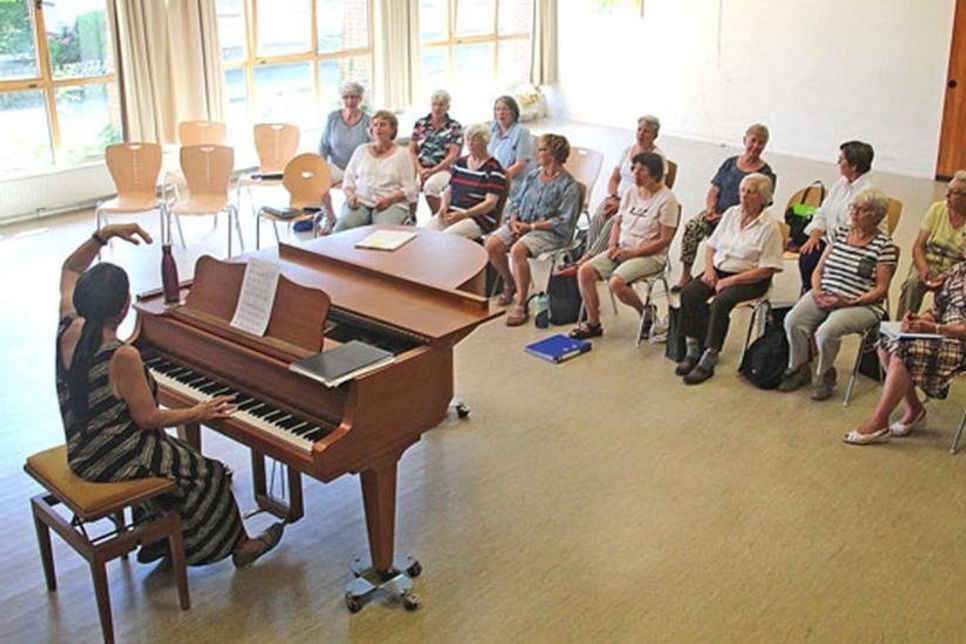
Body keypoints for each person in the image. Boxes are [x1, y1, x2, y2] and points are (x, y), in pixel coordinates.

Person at [56, 224, 284, 567]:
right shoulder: (122, 356)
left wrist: (102, 236)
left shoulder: (67, 323)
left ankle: (158, 537)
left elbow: (70, 268)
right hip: (113, 457)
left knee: (171, 454)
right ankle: (234, 546)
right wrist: (199, 411)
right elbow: (148, 418)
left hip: (82, 447)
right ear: (123, 308)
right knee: (210, 473)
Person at [779, 189, 897, 401]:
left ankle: (826, 374)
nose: (854, 213)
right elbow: (819, 270)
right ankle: (799, 366)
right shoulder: (841, 233)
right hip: (825, 292)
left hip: (861, 304)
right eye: (854, 207)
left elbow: (881, 289)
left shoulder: (884, 246)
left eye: (862, 210)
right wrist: (817, 291)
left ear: (877, 216)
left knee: (826, 332)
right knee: (793, 321)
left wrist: (851, 301)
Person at [676, 173, 783, 385]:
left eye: (751, 192)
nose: (744, 196)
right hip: (719, 269)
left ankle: (710, 356)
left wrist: (730, 282)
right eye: (742, 190)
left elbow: (768, 268)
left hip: (749, 278)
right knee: (689, 292)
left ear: (763, 197)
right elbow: (711, 246)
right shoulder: (732, 214)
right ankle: (693, 348)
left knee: (721, 302)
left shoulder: (770, 227)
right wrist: (709, 270)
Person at [845, 257, 966, 445]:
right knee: (887, 342)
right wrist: (918, 318)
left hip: (959, 340)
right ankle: (915, 409)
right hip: (942, 332)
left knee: (904, 351)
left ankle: (879, 422)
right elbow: (937, 309)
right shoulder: (958, 270)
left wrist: (934, 328)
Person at [570, 152, 679, 339]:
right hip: (621, 249)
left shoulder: (667, 200)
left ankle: (646, 313)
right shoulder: (630, 192)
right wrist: (612, 245)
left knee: (616, 282)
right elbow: (617, 222)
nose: (635, 174)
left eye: (641, 170)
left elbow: (664, 240)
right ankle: (593, 322)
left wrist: (632, 253)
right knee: (585, 271)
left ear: (654, 173)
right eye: (634, 169)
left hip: (649, 256)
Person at [485, 133, 581, 327]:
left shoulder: (569, 186)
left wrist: (531, 227)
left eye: (542, 149)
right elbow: (517, 201)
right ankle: (510, 282)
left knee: (518, 250)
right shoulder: (533, 175)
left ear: (553, 154)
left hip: (550, 233)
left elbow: (563, 222)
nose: (538, 152)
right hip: (523, 223)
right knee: (492, 244)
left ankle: (521, 304)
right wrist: (513, 220)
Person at [674, 124, 777, 291]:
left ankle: (726, 273)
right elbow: (714, 189)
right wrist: (710, 210)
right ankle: (686, 274)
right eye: (753, 141)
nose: (756, 146)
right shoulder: (730, 163)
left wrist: (725, 217)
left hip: (737, 219)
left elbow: (763, 204)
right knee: (692, 227)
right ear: (745, 140)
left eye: (761, 143)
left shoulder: (766, 173)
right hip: (715, 212)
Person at [583, 115, 668, 258]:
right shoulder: (627, 150)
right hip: (616, 197)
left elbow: (656, 189)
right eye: (639, 129)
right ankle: (588, 254)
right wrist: (613, 197)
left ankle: (589, 259)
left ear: (655, 136)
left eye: (646, 131)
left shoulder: (658, 159)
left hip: (636, 203)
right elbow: (614, 179)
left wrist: (622, 204)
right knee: (598, 217)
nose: (641, 134)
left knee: (612, 223)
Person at [797, 141, 876, 291]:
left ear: (854, 166)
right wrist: (815, 235)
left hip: (852, 245)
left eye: (842, 160)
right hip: (831, 239)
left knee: (818, 260)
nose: (838, 162)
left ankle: (821, 294)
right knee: (808, 254)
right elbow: (823, 211)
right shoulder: (841, 183)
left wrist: (830, 245)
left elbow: (852, 226)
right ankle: (810, 294)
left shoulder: (868, 191)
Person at [895, 171, 966, 318]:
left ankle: (942, 330)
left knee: (952, 293)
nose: (947, 195)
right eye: (949, 189)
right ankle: (901, 326)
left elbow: (963, 262)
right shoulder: (937, 209)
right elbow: (919, 246)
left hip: (953, 270)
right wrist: (923, 269)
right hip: (927, 262)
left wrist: (946, 276)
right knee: (912, 284)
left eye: (955, 193)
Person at [334, 110, 419, 232]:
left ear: (392, 130)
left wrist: (389, 199)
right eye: (375, 125)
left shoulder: (402, 154)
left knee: (382, 233)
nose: (378, 128)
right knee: (342, 227)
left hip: (390, 203)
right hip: (361, 201)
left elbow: (410, 188)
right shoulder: (361, 150)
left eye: (383, 125)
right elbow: (348, 180)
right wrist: (350, 196)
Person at [424, 122, 507, 239]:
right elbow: (449, 189)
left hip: (478, 218)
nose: (470, 143)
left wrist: (465, 214)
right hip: (453, 211)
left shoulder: (494, 168)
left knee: (447, 238)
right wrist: (443, 207)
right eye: (468, 139)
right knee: (425, 233)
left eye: (475, 139)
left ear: (486, 142)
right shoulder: (460, 163)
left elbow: (490, 203)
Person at [317, 81, 372, 229]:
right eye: (346, 97)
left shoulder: (368, 121)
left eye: (354, 97)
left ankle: (355, 219)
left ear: (360, 99)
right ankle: (330, 218)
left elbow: (372, 149)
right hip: (337, 165)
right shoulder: (333, 118)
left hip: (358, 169)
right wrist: (320, 165)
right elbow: (323, 145)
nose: (350, 101)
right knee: (318, 181)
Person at [408, 89, 464, 215]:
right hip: (420, 167)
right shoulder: (421, 123)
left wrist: (433, 171)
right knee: (410, 189)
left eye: (441, 105)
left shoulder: (454, 127)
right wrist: (420, 169)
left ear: (447, 107)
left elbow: (453, 155)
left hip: (444, 168)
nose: (437, 108)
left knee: (431, 187)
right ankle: (411, 219)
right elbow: (411, 150)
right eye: (434, 104)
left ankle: (439, 218)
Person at [488, 95, 534, 199]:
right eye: (497, 109)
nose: (501, 113)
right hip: (492, 177)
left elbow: (520, 165)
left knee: (492, 193)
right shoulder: (491, 129)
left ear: (513, 112)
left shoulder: (522, 132)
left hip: (514, 180)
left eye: (505, 109)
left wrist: (498, 178)